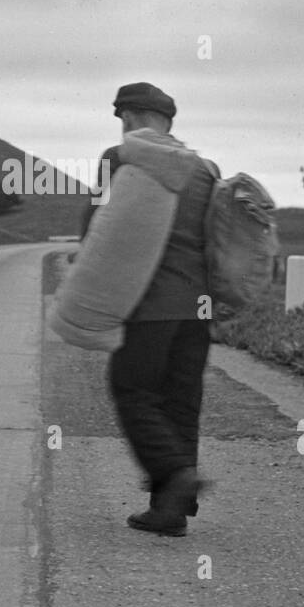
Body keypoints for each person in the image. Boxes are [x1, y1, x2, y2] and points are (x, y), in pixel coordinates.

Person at [80, 82, 218, 537]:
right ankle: (170, 511)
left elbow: (95, 231)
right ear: (168, 121)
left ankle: (175, 474)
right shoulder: (204, 168)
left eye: (123, 120)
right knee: (182, 403)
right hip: (197, 309)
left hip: (147, 305)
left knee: (133, 390)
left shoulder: (120, 159)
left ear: (128, 117)